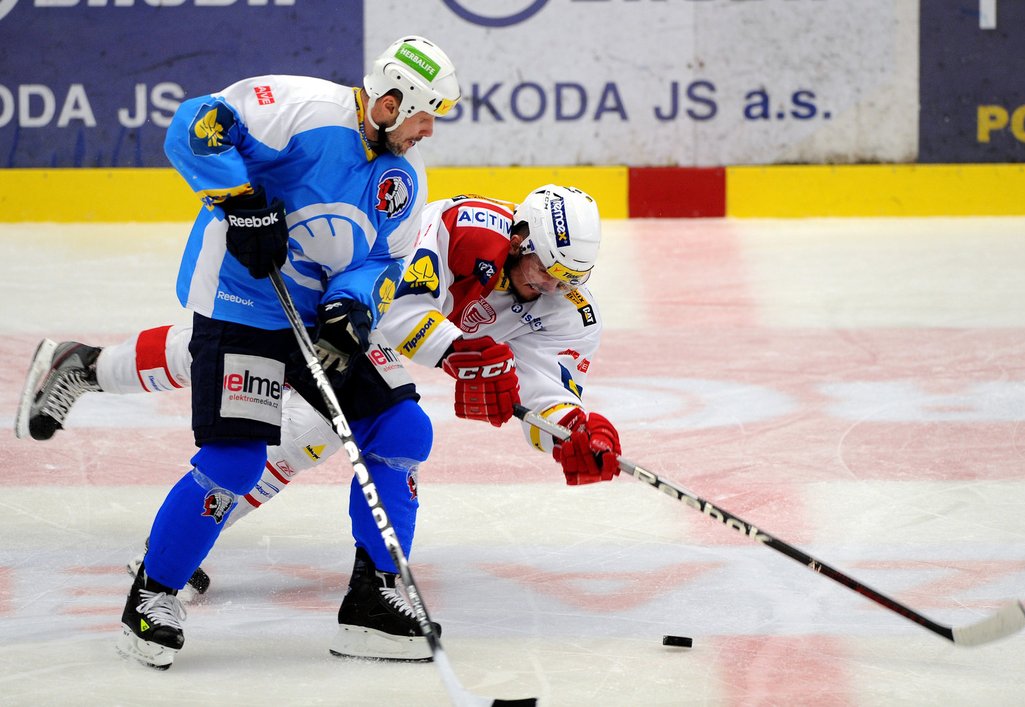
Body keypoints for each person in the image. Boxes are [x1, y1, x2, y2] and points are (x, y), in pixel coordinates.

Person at [15, 185, 624, 660]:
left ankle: (90, 375)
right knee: (229, 362)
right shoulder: (460, 230)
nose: (552, 285)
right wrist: (458, 354)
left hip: (359, 326)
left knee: (363, 427)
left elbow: (548, 384)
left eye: (569, 277)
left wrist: (573, 430)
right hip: (339, 299)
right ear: (518, 239)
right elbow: (396, 311)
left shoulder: (567, 305)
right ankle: (154, 525)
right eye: (546, 268)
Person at [23, 35, 462, 671]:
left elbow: (382, 259)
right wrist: (240, 200)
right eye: (425, 115)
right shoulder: (299, 107)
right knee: (235, 459)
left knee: (400, 426)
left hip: (313, 320)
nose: (428, 130)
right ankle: (152, 595)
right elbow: (194, 126)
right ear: (393, 101)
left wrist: (353, 304)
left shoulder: (402, 177)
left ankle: (370, 600)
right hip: (239, 304)